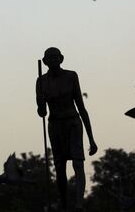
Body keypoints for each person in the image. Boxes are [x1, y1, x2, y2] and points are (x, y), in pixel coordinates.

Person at [36, 47, 98, 212]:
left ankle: (79, 204)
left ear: (61, 59)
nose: (54, 60)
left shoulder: (71, 76)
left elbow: (81, 107)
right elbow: (41, 112)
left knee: (78, 163)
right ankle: (64, 204)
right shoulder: (41, 81)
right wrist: (41, 102)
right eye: (51, 58)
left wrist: (91, 139)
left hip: (72, 123)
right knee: (59, 167)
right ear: (46, 62)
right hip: (55, 125)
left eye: (57, 57)